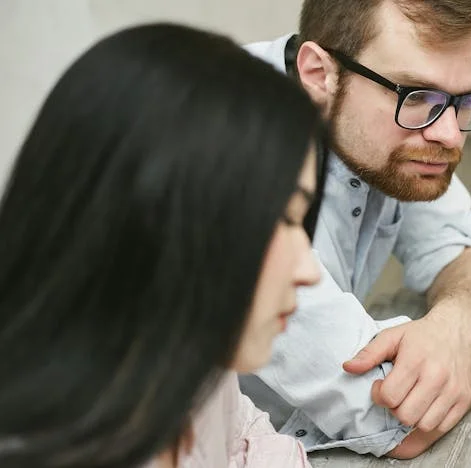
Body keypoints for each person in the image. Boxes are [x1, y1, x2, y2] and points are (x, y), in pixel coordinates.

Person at [238, 0, 471, 459]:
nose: (450, 135)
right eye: (417, 96)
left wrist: (457, 322)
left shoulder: (388, 133)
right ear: (319, 73)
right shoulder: (233, 159)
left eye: (467, 100)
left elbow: (458, 248)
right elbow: (398, 424)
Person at [0, 22, 327, 468]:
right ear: (157, 212)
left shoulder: (193, 360)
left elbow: (250, 435)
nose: (308, 269)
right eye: (283, 217)